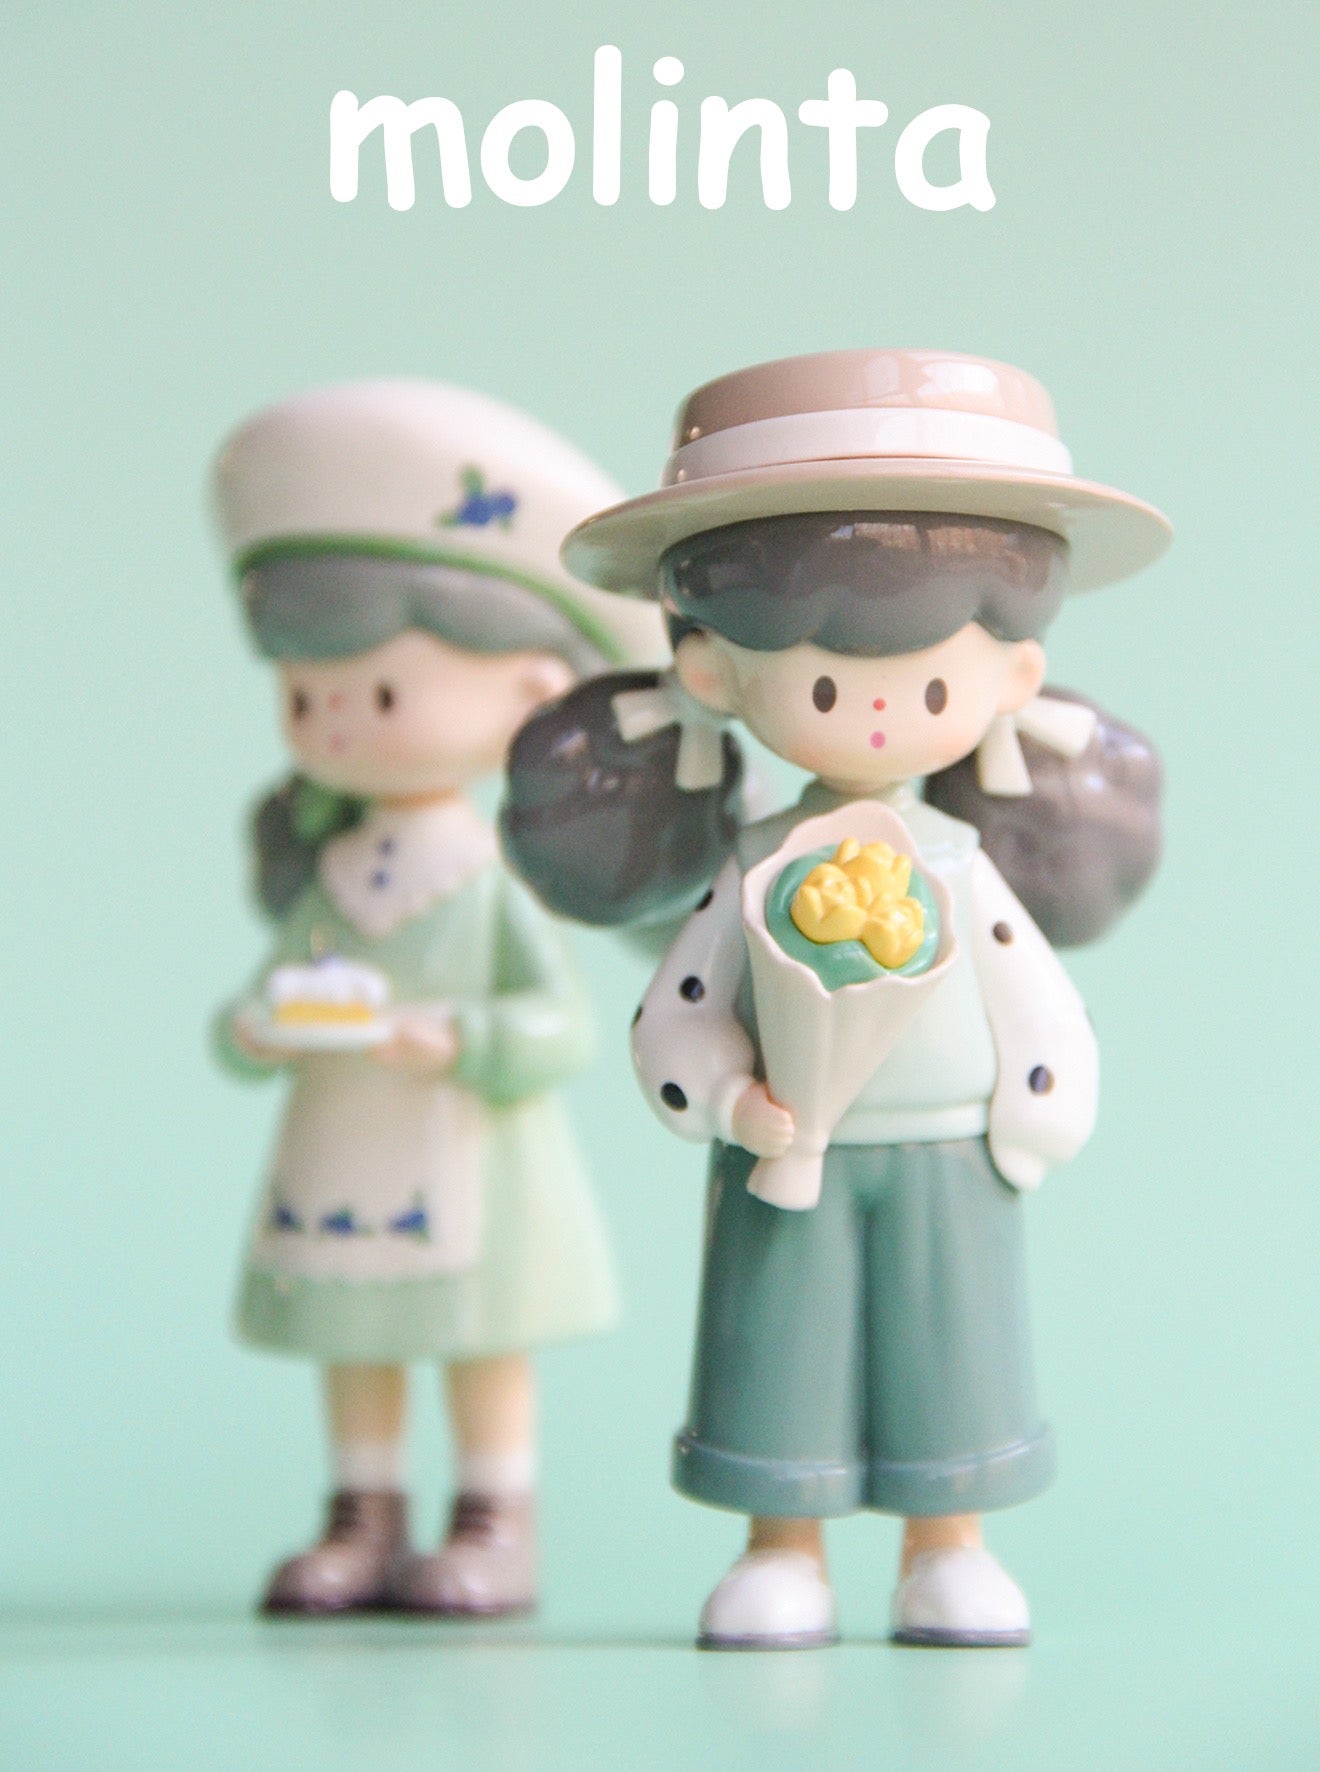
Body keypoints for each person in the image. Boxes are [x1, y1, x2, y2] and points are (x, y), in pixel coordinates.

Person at [502, 348, 1168, 1648]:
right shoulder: (753, 863)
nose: (869, 717)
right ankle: (783, 1547)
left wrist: (1037, 1108)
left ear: (1011, 680)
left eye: (929, 686)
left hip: (945, 1152)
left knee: (953, 1346)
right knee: (778, 1346)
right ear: (712, 673)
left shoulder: (962, 863)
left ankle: (946, 1545)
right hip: (786, 1147)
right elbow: (684, 1001)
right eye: (821, 685)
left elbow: (1033, 994)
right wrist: (726, 1095)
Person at [210, 379, 665, 1616]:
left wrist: (454, 1036)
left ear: (532, 687)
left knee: (478, 1333)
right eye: (306, 694)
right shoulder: (333, 877)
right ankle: (361, 1512)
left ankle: (492, 1514)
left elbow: (561, 1025)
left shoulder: (493, 880)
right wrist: (255, 1029)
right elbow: (260, 1002)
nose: (335, 723)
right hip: (342, 1141)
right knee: (353, 1330)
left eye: (380, 692)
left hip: (471, 1158)